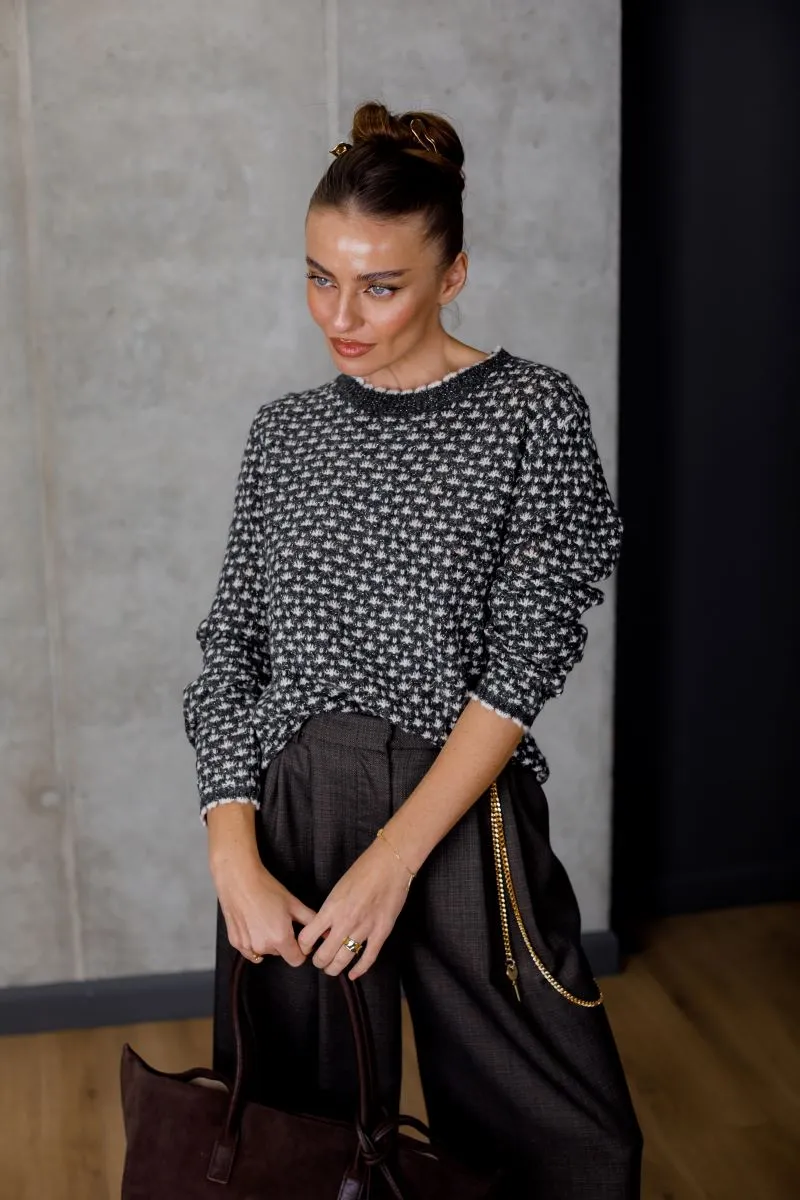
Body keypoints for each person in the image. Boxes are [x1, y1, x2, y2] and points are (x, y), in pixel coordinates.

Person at [182, 100, 643, 1197]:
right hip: (291, 811)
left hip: (458, 810)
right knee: (297, 1143)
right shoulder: (285, 433)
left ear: (453, 275)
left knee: (559, 1143)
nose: (340, 316)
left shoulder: (533, 414)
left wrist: (393, 862)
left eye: (379, 287)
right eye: (319, 278)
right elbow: (232, 648)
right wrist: (231, 850)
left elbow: (523, 666)